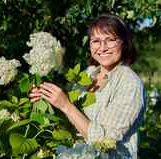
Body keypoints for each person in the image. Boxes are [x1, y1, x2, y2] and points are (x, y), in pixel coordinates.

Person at [29, 14, 146, 159]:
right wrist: (46, 97)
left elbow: (104, 142)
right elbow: (72, 120)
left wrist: (65, 105)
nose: (102, 47)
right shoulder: (87, 74)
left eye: (110, 40)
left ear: (124, 43)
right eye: (96, 41)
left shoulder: (129, 82)